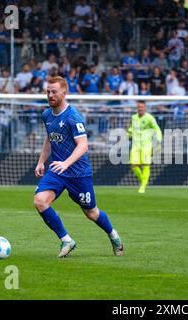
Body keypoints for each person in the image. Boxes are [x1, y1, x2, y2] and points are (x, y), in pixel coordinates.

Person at [33, 76, 124, 258]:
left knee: (91, 212)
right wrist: (41, 161)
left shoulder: (73, 117)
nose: (50, 95)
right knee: (40, 201)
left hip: (78, 172)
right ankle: (66, 240)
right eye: (48, 92)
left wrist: (66, 163)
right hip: (58, 171)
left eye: (54, 92)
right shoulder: (47, 115)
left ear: (64, 93)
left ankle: (113, 236)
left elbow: (83, 145)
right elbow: (50, 138)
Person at [128, 101, 162, 194]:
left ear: (145, 108)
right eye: (139, 107)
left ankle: (143, 186)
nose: (140, 108)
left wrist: (159, 139)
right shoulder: (134, 117)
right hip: (135, 145)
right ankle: (143, 180)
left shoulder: (149, 118)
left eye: (142, 107)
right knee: (133, 165)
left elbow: (157, 128)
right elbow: (132, 128)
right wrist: (129, 132)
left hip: (146, 145)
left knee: (146, 165)